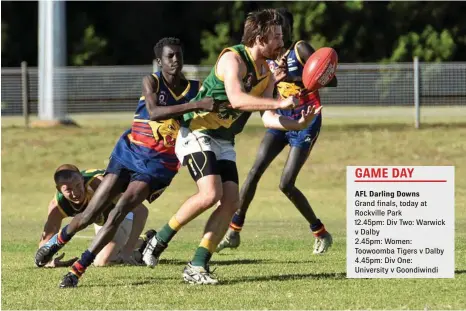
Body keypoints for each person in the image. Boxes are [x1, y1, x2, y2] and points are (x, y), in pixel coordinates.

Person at [142, 8, 322, 285]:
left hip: (224, 139)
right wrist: (279, 102)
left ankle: (197, 265)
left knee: (230, 202)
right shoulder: (232, 59)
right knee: (210, 193)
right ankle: (160, 239)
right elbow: (237, 100)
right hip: (198, 130)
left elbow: (269, 118)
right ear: (259, 37)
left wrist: (298, 124)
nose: (281, 43)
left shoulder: (266, 71)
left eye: (281, 36)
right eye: (275, 36)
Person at [34, 37, 216, 288]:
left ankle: (76, 271)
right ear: (159, 61)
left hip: (157, 167)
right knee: (89, 213)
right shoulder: (152, 81)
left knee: (118, 213)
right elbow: (153, 112)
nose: (175, 60)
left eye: (178, 55)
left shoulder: (196, 88)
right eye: (169, 56)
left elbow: (222, 98)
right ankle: (58, 242)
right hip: (128, 153)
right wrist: (196, 105)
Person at [216, 8, 337, 254]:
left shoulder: (300, 49)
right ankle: (234, 231)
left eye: (282, 29)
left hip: (307, 120)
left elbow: (330, 77)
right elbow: (262, 96)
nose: (279, 36)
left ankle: (321, 232)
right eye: (275, 31)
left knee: (286, 184)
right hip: (281, 119)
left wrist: (298, 78)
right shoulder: (267, 59)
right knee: (254, 171)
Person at [36, 165, 149, 268]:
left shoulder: (99, 185)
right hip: (103, 220)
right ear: (59, 189)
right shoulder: (57, 205)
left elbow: (141, 211)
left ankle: (141, 249)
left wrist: (128, 249)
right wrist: (48, 260)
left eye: (78, 185)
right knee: (101, 256)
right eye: (68, 189)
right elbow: (46, 239)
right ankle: (144, 242)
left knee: (102, 261)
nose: (75, 193)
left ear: (82, 179)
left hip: (123, 213)